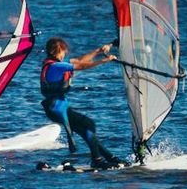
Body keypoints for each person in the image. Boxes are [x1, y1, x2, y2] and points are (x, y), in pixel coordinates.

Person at [40, 37, 124, 169]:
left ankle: (109, 157)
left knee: (85, 130)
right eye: (63, 52)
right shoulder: (56, 66)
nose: (65, 54)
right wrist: (105, 60)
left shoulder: (55, 64)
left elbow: (79, 60)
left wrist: (98, 51)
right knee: (89, 124)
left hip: (56, 107)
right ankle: (97, 159)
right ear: (57, 51)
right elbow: (82, 66)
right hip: (56, 108)